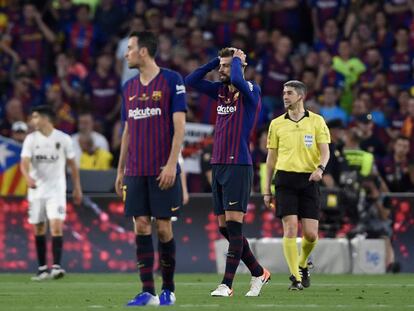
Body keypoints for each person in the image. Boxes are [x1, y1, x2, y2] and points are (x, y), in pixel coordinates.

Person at [185, 47, 271, 297]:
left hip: (238, 164)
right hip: (219, 163)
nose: (222, 70)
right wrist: (214, 61)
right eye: (220, 66)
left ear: (239, 66)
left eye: (226, 66)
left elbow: (236, 78)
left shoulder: (251, 91)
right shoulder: (220, 92)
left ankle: (227, 284)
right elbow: (190, 81)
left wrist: (236, 62)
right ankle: (258, 273)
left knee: (234, 226)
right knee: (225, 228)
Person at [114, 31, 187, 307]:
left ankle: (168, 289)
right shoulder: (128, 88)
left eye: (130, 48)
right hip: (135, 171)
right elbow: (127, 131)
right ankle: (148, 291)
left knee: (164, 228)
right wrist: (120, 169)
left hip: (162, 170)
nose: (126, 54)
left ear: (143, 51)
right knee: (141, 226)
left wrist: (171, 164)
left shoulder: (172, 80)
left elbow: (179, 127)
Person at [264, 80, 330, 290]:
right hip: (285, 179)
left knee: (311, 234)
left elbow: (325, 151)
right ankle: (295, 277)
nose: (285, 96)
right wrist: (266, 190)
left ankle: (302, 264)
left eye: (289, 93)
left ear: (301, 96)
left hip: (309, 180)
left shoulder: (317, 121)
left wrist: (320, 169)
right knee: (290, 228)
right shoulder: (276, 124)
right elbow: (270, 159)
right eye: (284, 93)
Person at [20, 105, 82, 281]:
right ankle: (42, 268)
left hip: (56, 190)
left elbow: (72, 165)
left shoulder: (63, 139)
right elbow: (24, 162)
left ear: (46, 119)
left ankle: (56, 267)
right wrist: (27, 177)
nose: (33, 121)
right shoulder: (31, 139)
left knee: (56, 226)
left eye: (35, 117)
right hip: (36, 191)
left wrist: (77, 187)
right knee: (39, 227)